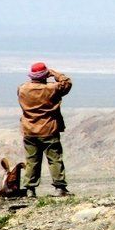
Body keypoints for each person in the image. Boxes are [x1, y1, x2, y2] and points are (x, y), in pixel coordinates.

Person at [17, 62, 72, 197]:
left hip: (29, 130)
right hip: (49, 129)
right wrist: (54, 73)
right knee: (54, 159)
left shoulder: (22, 89)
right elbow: (67, 83)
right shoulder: (51, 88)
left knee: (32, 161)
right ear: (44, 75)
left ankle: (30, 189)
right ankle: (60, 188)